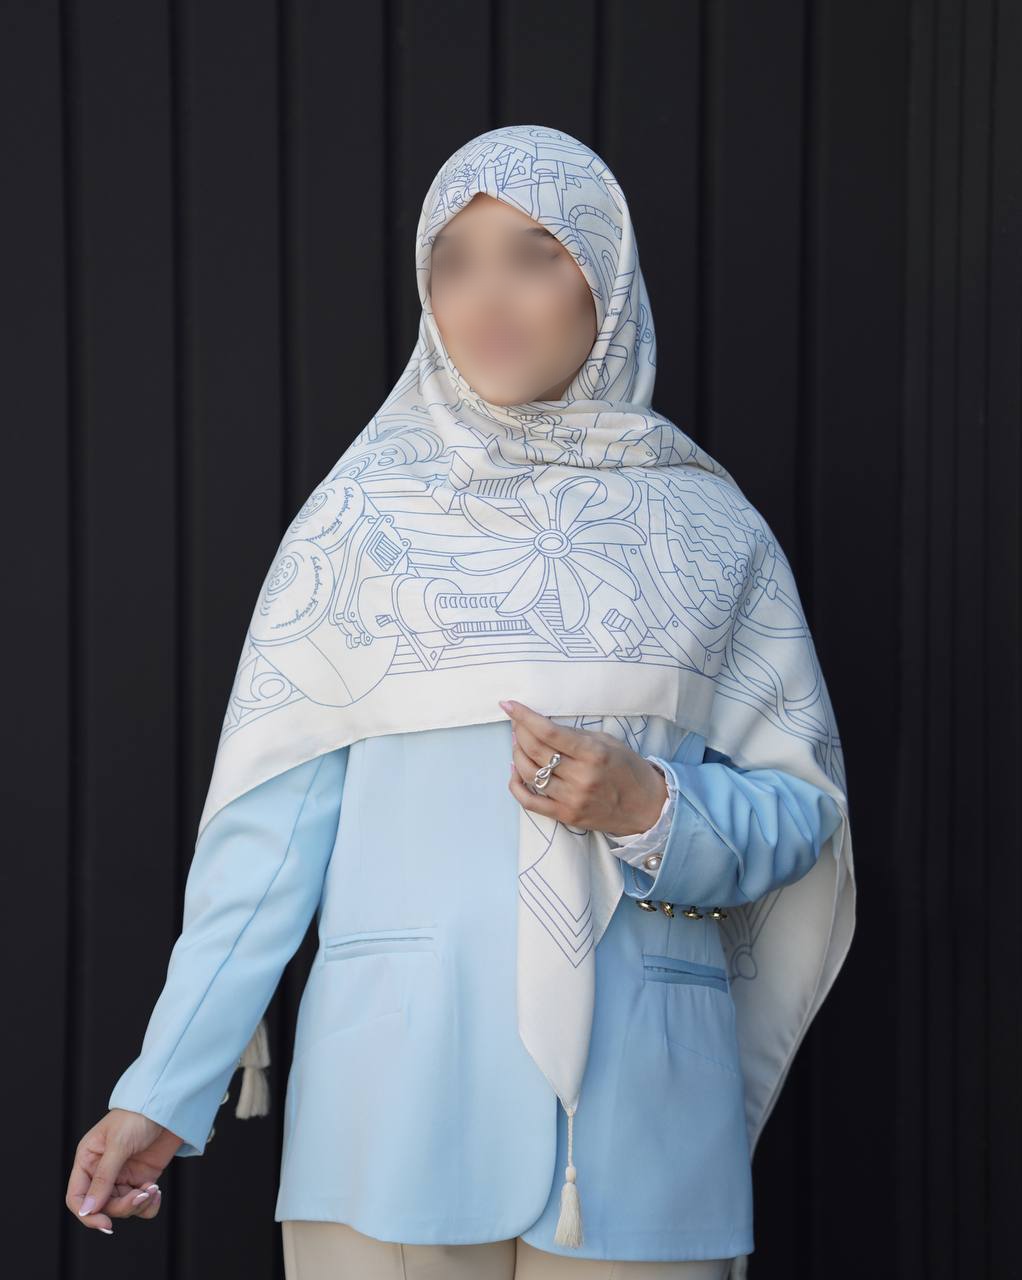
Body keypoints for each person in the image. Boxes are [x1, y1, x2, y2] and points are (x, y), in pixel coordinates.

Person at [66, 125, 855, 1280]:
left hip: (640, 1126)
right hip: (389, 1107)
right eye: (455, 261)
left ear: (605, 282)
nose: (487, 299)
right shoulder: (356, 526)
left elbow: (801, 813)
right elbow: (264, 851)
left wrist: (650, 806)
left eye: (534, 255)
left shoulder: (711, 532)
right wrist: (165, 1087)